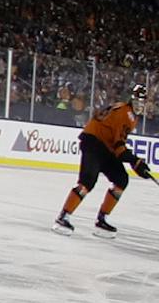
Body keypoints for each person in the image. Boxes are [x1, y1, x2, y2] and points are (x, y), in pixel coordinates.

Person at [57, 83, 149, 234]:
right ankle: (63, 216)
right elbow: (119, 146)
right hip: (94, 143)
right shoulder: (124, 113)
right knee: (87, 181)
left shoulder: (130, 115)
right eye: (138, 101)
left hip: (106, 147)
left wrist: (135, 163)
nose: (140, 105)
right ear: (132, 100)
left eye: (143, 102)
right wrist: (135, 161)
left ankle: (102, 219)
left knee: (121, 179)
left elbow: (118, 144)